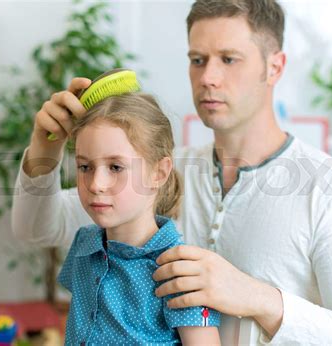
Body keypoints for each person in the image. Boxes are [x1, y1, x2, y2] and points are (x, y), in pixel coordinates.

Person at [12, 0, 332, 344]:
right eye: (197, 59)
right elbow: (37, 228)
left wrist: (258, 297)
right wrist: (44, 149)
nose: (208, 77)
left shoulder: (330, 188)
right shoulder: (153, 174)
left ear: (275, 67)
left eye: (229, 59)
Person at [56, 92, 221, 345]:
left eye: (115, 167)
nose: (96, 184)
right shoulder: (84, 244)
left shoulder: (181, 270)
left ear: (158, 173)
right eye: (85, 167)